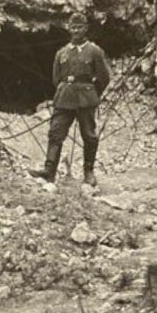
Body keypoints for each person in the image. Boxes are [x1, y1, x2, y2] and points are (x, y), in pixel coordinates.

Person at [29, 12, 111, 187]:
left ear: (86, 28)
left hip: (86, 98)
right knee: (55, 133)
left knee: (89, 135)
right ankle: (49, 171)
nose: (76, 31)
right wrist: (63, 90)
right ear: (69, 28)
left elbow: (104, 77)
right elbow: (56, 78)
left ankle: (88, 172)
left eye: (79, 27)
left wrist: (92, 94)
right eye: (73, 27)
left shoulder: (94, 51)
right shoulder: (62, 53)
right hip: (64, 98)